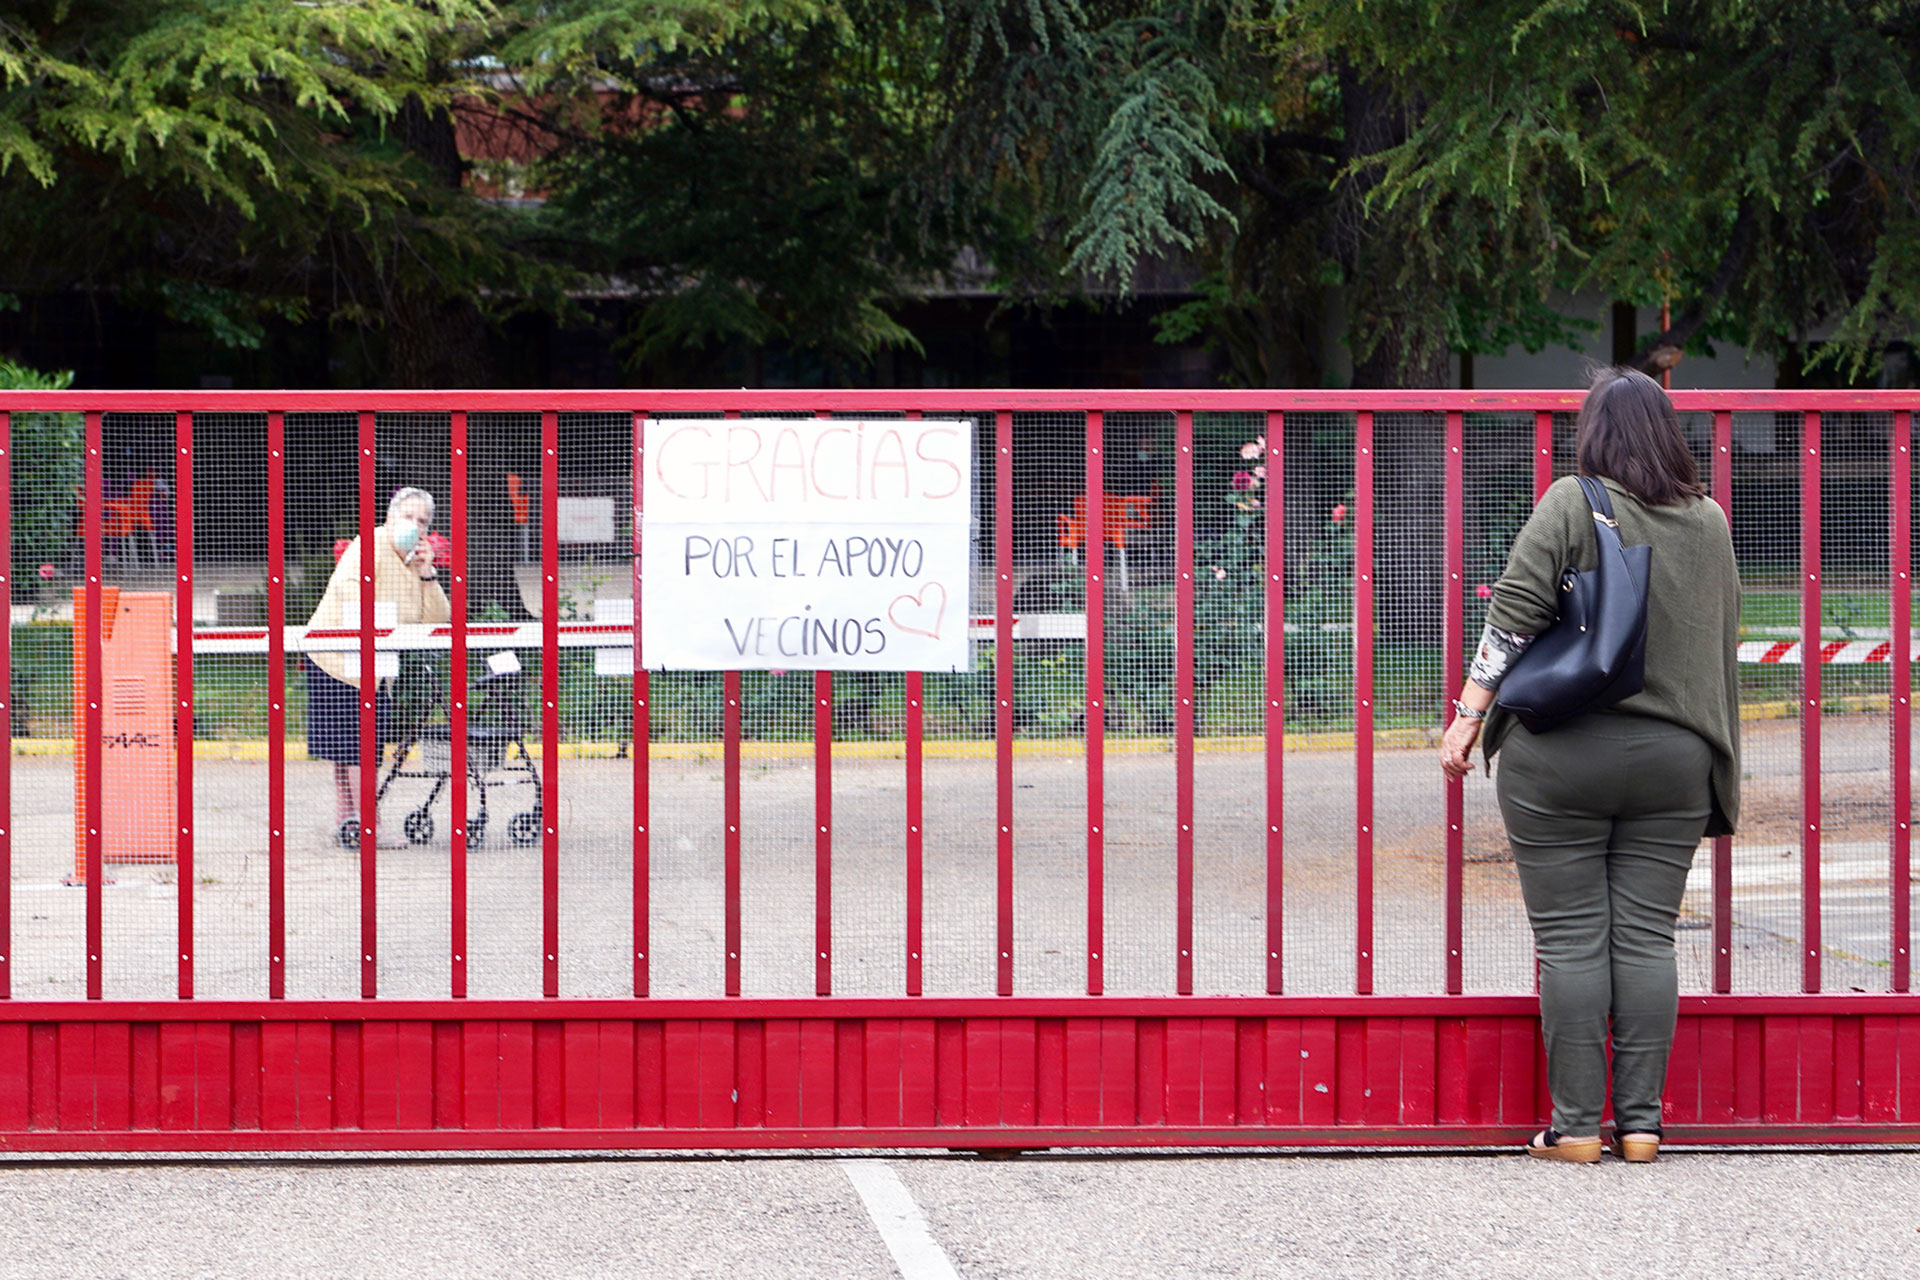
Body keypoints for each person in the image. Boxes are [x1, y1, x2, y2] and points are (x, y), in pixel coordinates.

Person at [1440, 367, 1740, 1164]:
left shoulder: (1573, 502)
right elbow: (1717, 646)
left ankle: (1574, 1129)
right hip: (1676, 758)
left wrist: (1467, 721)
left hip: (1562, 759)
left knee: (1573, 940)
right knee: (1646, 939)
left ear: (1595, 433)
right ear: (1668, 431)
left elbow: (1511, 623)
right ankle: (1640, 1126)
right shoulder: (1708, 520)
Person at [306, 486, 451, 846]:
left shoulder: (413, 563)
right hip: (338, 657)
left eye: (422, 521)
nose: (415, 526)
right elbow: (351, 590)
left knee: (351, 748)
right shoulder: (369, 544)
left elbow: (437, 618)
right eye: (408, 517)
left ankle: (348, 824)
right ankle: (370, 827)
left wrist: (427, 572)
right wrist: (378, 625)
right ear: (390, 517)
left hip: (375, 665)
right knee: (356, 749)